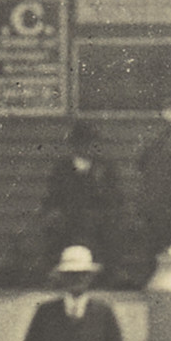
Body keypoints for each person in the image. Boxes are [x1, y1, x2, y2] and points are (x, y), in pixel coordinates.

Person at [35, 121, 126, 285]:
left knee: (111, 228)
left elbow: (115, 197)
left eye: (92, 143)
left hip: (98, 217)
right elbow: (53, 196)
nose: (88, 147)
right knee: (58, 229)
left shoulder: (104, 168)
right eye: (83, 143)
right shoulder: (62, 168)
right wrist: (53, 212)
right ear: (74, 145)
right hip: (69, 217)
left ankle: (108, 275)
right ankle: (60, 275)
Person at [130, 122, 171, 288]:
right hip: (170, 205)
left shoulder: (157, 143)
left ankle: (153, 285)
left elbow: (141, 167)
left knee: (155, 248)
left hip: (153, 204)